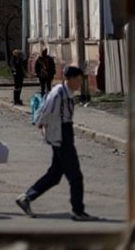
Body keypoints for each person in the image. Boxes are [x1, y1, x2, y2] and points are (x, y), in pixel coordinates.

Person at [15, 66, 97, 221]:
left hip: (65, 131)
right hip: (60, 134)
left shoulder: (68, 93)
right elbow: (45, 111)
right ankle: (78, 211)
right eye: (79, 79)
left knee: (54, 175)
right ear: (70, 79)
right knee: (75, 176)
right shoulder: (58, 92)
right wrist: (44, 129)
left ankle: (26, 198)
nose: (80, 83)